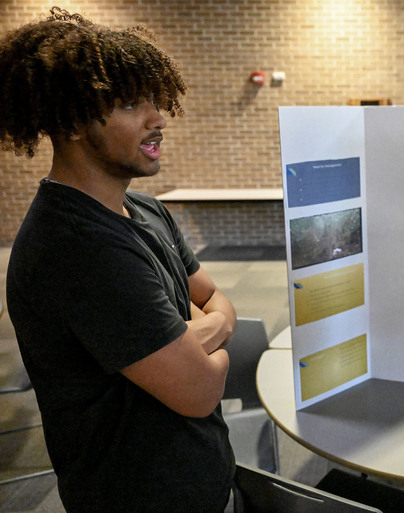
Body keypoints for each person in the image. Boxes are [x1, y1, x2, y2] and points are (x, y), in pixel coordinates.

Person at [1, 7, 237, 512]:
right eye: (132, 105)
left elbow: (216, 298)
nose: (159, 119)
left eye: (156, 100)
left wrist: (197, 332)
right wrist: (209, 333)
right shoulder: (76, 247)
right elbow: (200, 389)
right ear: (71, 123)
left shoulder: (146, 209)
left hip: (200, 477)